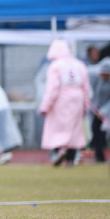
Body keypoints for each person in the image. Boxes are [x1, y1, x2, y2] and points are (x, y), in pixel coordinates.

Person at [39, 39, 90, 167]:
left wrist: (45, 106)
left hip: (60, 99)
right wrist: (86, 104)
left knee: (57, 127)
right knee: (75, 129)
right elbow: (86, 87)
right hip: (78, 99)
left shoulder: (55, 66)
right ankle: (71, 159)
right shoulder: (79, 64)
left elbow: (52, 88)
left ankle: (58, 151)